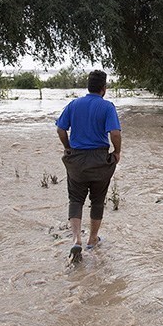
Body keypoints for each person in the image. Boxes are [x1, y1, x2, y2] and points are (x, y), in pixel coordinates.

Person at [55, 69, 121, 262]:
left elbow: (60, 129)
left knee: (75, 199)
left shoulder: (73, 104)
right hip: (100, 160)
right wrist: (116, 152)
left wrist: (67, 147)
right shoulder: (107, 107)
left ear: (88, 87)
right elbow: (115, 134)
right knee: (98, 200)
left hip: (76, 160)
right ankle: (92, 239)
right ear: (104, 88)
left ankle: (76, 240)